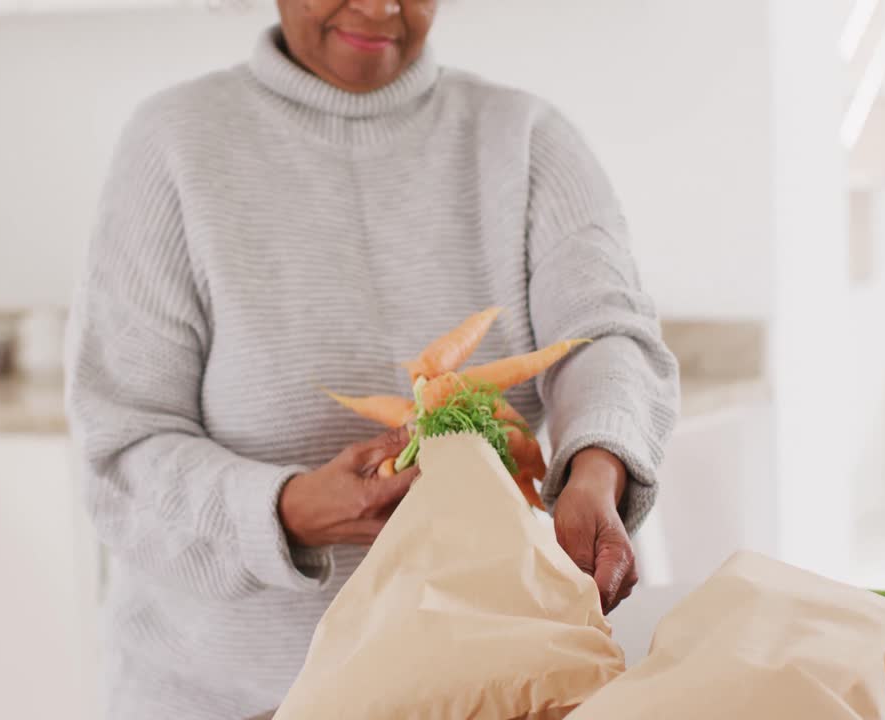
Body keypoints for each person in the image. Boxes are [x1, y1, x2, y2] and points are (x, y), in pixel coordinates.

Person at [65, 0, 681, 717]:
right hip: (229, 699)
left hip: (477, 691)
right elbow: (123, 451)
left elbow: (606, 335)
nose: (381, 5)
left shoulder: (527, 140)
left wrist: (595, 466)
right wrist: (289, 510)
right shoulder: (173, 145)